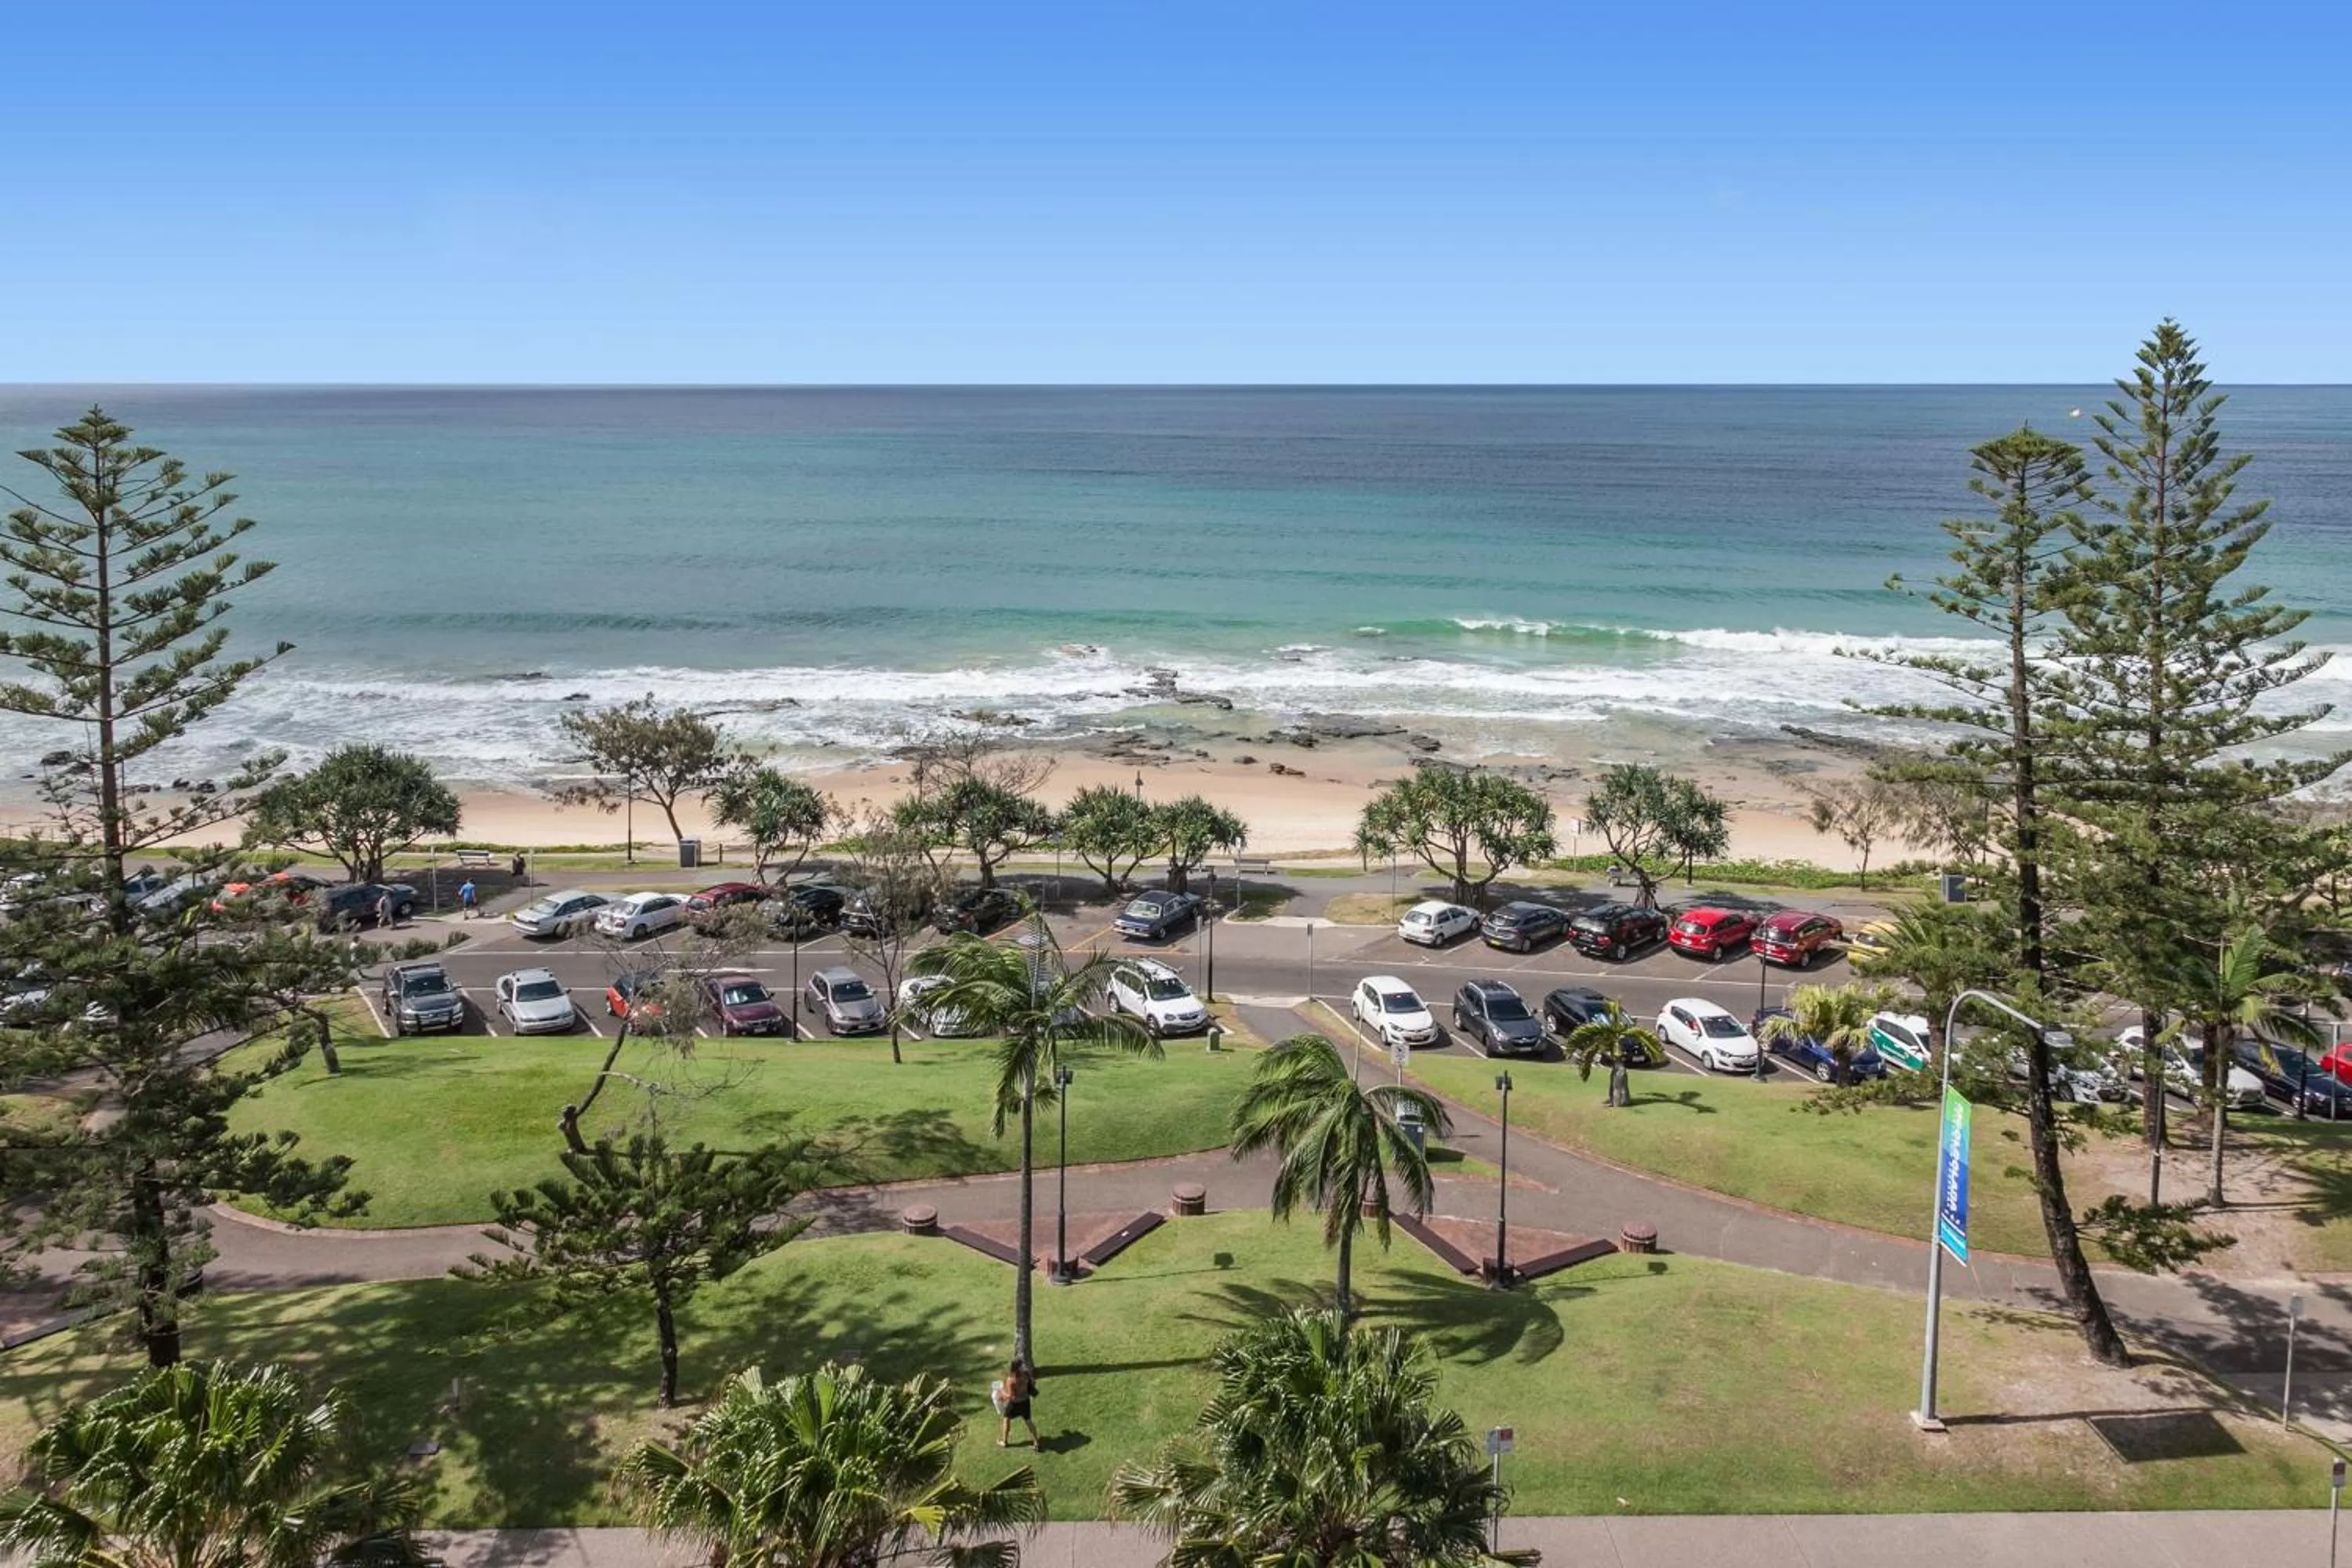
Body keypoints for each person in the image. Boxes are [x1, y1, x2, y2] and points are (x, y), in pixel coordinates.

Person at [993, 1359, 1037, 1448]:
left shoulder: (1011, 1380)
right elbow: (1033, 1382)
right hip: (1026, 1401)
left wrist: (1001, 1392)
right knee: (1028, 1421)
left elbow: (1011, 1396)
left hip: (1015, 1404)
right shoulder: (1026, 1374)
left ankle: (1005, 1442)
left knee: (1006, 1418)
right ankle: (1036, 1442)